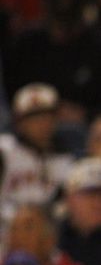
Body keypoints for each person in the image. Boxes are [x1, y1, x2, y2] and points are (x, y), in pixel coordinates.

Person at [0, 84, 75, 228]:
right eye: (34, 118)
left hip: (48, 234)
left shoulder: (65, 159)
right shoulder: (4, 151)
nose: (42, 124)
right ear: (19, 124)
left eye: (46, 117)